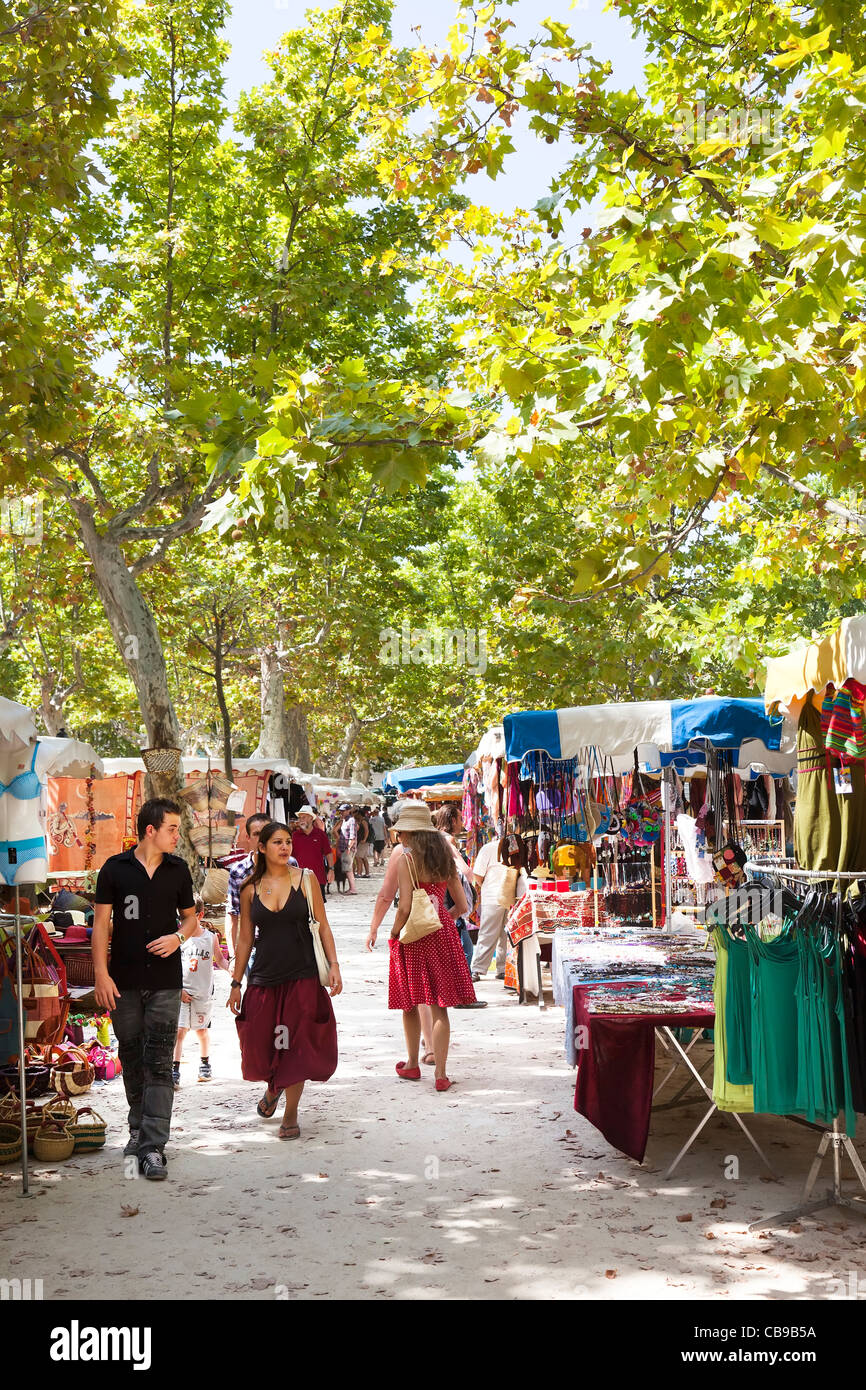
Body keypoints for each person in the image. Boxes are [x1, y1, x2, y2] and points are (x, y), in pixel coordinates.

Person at [92, 798, 197, 1180]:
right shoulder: (115, 869)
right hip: (123, 981)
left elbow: (190, 919)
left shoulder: (178, 870)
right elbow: (101, 926)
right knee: (132, 1057)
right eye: (172, 828)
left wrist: (177, 937)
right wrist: (101, 975)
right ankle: (137, 1130)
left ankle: (153, 1146)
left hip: (165, 982)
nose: (177, 835)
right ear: (150, 830)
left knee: (159, 1063)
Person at [229, 822, 342, 1139]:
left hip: (302, 975)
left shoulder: (306, 880)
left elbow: (322, 926)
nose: (285, 847)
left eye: (288, 841)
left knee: (297, 1047)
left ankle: (290, 1114)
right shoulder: (250, 888)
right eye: (277, 842)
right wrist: (236, 983)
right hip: (264, 976)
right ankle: (274, 1086)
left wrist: (334, 965)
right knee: (263, 1044)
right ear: (261, 847)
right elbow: (244, 940)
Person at [365, 801, 475, 1091]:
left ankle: (413, 1064)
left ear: (409, 833)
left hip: (412, 939)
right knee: (441, 1007)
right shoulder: (445, 857)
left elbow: (403, 907)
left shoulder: (406, 859)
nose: (399, 837)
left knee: (410, 1003)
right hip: (443, 936)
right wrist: (440, 919)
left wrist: (393, 932)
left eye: (401, 833)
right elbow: (462, 905)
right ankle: (440, 1074)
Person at [172, 895, 229, 1088]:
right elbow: (172, 968)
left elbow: (219, 959)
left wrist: (230, 968)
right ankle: (175, 1068)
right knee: (180, 1031)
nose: (183, 921)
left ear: (200, 914)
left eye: (188, 916)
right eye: (181, 917)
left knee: (202, 1031)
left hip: (203, 994)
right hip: (183, 992)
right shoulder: (178, 939)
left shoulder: (210, 938)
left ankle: (205, 1063)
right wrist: (178, 990)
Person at [471, 832, 528, 983]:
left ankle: (502, 969)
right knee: (488, 933)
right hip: (492, 897)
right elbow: (477, 875)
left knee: (506, 935)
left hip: (510, 897)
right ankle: (477, 968)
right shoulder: (489, 848)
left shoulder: (517, 849)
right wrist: (486, 887)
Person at [227, 813, 270, 959]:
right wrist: (233, 956)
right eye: (257, 834)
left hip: (284, 947)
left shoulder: (289, 865)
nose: (262, 839)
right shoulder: (239, 872)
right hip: (253, 948)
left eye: (266, 833)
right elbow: (233, 915)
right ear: (248, 838)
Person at [291, 805, 335, 895]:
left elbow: (328, 853)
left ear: (311, 818)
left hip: (317, 878)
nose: (301, 820)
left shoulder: (320, 834)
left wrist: (331, 870)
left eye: (304, 817)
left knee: (318, 907)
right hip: (298, 879)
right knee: (299, 908)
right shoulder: (294, 836)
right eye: (299, 818)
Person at [337, 805, 358, 895]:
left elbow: (352, 836)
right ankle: (351, 888)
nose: (341, 812)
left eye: (343, 811)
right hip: (344, 848)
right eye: (341, 811)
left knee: (348, 869)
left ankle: (353, 889)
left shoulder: (351, 820)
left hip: (348, 848)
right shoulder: (344, 821)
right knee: (347, 869)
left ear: (348, 811)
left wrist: (349, 848)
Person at [355, 810, 372, 878]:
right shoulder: (363, 820)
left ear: (359, 814)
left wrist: (364, 839)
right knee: (364, 858)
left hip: (363, 841)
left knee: (358, 856)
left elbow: (366, 830)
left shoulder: (364, 821)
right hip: (364, 841)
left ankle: (359, 873)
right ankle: (367, 873)